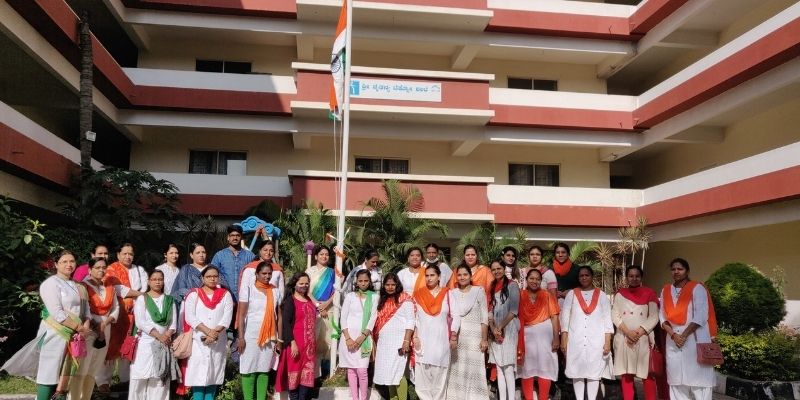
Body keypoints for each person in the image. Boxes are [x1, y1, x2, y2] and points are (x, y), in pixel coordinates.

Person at [18, 250, 92, 400]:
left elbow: (86, 311)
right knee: (49, 373)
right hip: (55, 333)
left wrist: (86, 326)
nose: (69, 264)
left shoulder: (79, 286)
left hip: (75, 336)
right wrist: (79, 328)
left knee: (66, 374)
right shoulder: (50, 284)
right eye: (64, 261)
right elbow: (57, 313)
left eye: (72, 261)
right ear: (56, 264)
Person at [659, 258, 718, 400]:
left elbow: (701, 316)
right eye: (673, 269)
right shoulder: (665, 290)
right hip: (673, 341)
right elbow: (662, 316)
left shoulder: (697, 288)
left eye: (680, 269)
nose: (676, 272)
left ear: (687, 271)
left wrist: (683, 336)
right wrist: (674, 335)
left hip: (694, 338)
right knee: (677, 382)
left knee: (699, 382)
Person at [560, 266, 613, 400]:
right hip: (575, 339)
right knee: (577, 372)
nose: (584, 278)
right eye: (581, 276)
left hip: (596, 341)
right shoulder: (572, 294)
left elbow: (607, 319)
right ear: (578, 278)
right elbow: (565, 318)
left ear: (592, 276)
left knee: (594, 372)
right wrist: (564, 339)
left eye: (587, 275)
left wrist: (607, 342)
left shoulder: (601, 295)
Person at [100, 243, 146, 392]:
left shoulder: (139, 270)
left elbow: (146, 287)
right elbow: (118, 289)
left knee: (129, 346)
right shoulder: (111, 269)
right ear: (118, 255)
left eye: (130, 254)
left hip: (135, 315)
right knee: (111, 348)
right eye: (124, 253)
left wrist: (140, 298)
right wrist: (140, 295)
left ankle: (125, 382)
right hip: (116, 315)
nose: (128, 256)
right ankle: (103, 383)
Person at [184, 266, 234, 400]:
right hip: (199, 340)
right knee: (198, 375)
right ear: (202, 278)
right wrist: (208, 332)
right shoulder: (194, 294)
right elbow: (190, 317)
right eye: (208, 276)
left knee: (214, 373)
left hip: (218, 341)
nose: (212, 279)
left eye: (215, 276)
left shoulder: (225, 294)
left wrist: (214, 334)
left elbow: (227, 317)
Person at [72, 257, 119, 400]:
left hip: (106, 329)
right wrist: (96, 326)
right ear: (90, 270)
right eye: (97, 267)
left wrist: (105, 323)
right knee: (83, 366)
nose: (101, 270)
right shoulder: (83, 287)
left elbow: (116, 308)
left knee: (94, 367)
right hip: (88, 329)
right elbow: (82, 310)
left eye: (104, 267)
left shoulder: (109, 287)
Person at [237, 261, 282, 400]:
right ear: (256, 274)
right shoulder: (248, 289)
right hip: (250, 334)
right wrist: (241, 337)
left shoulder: (275, 291)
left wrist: (279, 340)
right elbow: (241, 315)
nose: (267, 276)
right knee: (248, 369)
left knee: (264, 369)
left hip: (270, 336)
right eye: (264, 273)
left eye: (269, 274)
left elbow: (279, 316)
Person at [130, 270, 178, 400]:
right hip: (145, 343)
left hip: (164, 343)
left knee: (159, 378)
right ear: (149, 281)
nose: (157, 282)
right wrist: (158, 336)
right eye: (154, 279)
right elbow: (140, 322)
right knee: (139, 377)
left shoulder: (169, 300)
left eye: (160, 279)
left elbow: (173, 324)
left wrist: (166, 335)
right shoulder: (142, 298)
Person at [613, 265, 660, 400]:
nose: (634, 278)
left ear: (641, 277)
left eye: (637, 276)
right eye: (631, 276)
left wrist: (637, 333)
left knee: (647, 374)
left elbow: (654, 316)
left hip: (643, 338)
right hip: (623, 338)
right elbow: (615, 315)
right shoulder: (620, 294)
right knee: (626, 374)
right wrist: (628, 332)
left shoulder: (649, 293)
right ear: (627, 278)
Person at [412, 264, 458, 400]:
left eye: (432, 275)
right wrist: (415, 337)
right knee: (422, 380)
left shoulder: (448, 293)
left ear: (439, 277)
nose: (429, 278)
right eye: (427, 275)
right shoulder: (418, 294)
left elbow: (456, 316)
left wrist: (454, 336)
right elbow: (415, 318)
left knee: (440, 378)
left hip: (441, 341)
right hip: (423, 340)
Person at [446, 265, 489, 400]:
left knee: (474, 370)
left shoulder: (479, 291)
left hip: (475, 337)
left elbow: (484, 317)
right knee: (457, 368)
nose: (462, 277)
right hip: (457, 337)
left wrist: (484, 339)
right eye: (459, 275)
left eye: (465, 274)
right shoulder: (451, 293)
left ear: (470, 276)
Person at [518, 269, 560, 400]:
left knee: (545, 368)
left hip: (545, 338)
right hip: (525, 338)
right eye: (531, 278)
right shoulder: (520, 295)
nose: (534, 281)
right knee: (526, 369)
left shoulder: (547, 295)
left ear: (541, 281)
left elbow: (554, 317)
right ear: (526, 280)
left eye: (537, 279)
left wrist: (556, 338)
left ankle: (543, 398)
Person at [275, 273, 318, 400]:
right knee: (294, 379)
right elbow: (286, 324)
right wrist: (292, 342)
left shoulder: (309, 300)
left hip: (309, 348)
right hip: (295, 346)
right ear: (294, 284)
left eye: (307, 283)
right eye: (301, 283)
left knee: (306, 379)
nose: (304, 286)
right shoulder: (290, 301)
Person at [372, 273, 414, 400]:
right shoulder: (382, 300)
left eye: (393, 284)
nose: (390, 287)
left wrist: (406, 341)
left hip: (399, 342)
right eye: (387, 285)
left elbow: (410, 321)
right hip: (384, 343)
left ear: (397, 285)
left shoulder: (404, 298)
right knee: (388, 375)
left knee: (398, 374)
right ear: (384, 286)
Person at [339, 270, 378, 400]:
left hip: (364, 338)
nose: (363, 283)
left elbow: (373, 318)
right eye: (360, 281)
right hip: (348, 338)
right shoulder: (350, 296)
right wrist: (348, 338)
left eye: (366, 281)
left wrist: (362, 337)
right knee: (351, 370)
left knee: (362, 370)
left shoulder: (374, 297)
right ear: (356, 282)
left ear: (370, 281)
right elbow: (343, 318)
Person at [306, 245, 341, 378]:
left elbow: (337, 291)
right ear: (315, 256)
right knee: (313, 340)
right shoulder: (309, 271)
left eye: (326, 254)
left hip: (329, 309)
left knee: (327, 340)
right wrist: (318, 305)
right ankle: (312, 374)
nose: (324, 256)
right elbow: (306, 290)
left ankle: (327, 373)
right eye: (321, 254)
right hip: (313, 309)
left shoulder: (333, 272)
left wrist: (326, 304)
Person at [487, 260, 519, 400]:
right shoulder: (492, 286)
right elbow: (490, 310)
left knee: (508, 368)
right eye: (493, 269)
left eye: (499, 268)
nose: (496, 271)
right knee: (499, 368)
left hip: (509, 328)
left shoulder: (512, 285)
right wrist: (493, 328)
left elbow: (514, 311)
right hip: (495, 331)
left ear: (504, 269)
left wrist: (500, 327)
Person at [212, 225, 256, 302]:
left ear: (241, 237)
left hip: (246, 298)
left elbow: (256, 275)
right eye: (232, 235)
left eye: (238, 235)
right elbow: (212, 275)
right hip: (224, 298)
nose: (235, 238)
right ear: (228, 237)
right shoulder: (219, 255)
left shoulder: (250, 256)